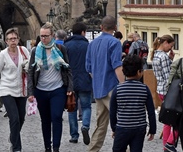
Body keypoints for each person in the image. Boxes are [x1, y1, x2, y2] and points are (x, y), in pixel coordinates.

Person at [28, 22, 73, 152]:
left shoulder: (60, 49)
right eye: (41, 36)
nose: (43, 39)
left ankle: (56, 147)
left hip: (57, 89)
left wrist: (70, 88)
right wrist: (30, 92)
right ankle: (47, 146)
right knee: (45, 120)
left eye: (46, 36)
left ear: (52, 35)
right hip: (41, 90)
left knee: (57, 117)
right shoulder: (35, 51)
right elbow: (31, 72)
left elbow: (68, 68)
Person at [87, 16, 125, 152]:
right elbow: (117, 66)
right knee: (122, 121)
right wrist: (124, 84)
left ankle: (92, 149)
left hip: (98, 88)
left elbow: (89, 69)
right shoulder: (115, 43)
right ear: (115, 28)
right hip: (111, 88)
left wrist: (98, 79)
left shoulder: (92, 44)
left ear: (101, 27)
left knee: (101, 124)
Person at [0, 27, 30, 152]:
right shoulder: (2, 55)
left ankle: (13, 136)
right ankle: (16, 148)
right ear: (6, 41)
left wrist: (28, 68)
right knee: (14, 118)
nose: (13, 41)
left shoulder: (23, 51)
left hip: (21, 89)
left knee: (21, 118)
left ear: (18, 39)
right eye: (10, 39)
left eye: (15, 38)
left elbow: (31, 67)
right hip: (6, 89)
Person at [109, 54, 156, 152]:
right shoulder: (144, 88)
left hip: (122, 128)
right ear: (139, 72)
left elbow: (112, 112)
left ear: (124, 71)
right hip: (139, 129)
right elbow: (151, 111)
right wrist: (152, 129)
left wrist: (114, 128)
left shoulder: (117, 89)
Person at [65, 21, 93, 144]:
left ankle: (74, 136)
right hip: (85, 80)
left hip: (70, 82)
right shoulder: (88, 46)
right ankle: (85, 126)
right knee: (86, 106)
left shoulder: (66, 46)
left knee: (72, 108)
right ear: (83, 32)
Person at [151, 36, 174, 107]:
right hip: (166, 90)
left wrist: (170, 59)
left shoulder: (156, 55)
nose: (171, 49)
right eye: (171, 46)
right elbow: (168, 76)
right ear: (165, 42)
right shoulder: (164, 57)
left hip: (160, 88)